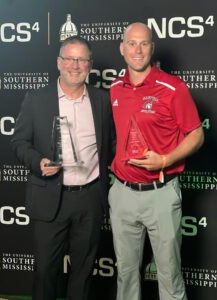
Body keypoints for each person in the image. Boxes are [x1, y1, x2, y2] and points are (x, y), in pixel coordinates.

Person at [11, 36, 115, 300]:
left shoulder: (102, 100)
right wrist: (38, 163)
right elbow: (19, 142)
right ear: (59, 62)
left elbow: (112, 144)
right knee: (46, 271)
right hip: (50, 196)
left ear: (90, 64)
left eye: (81, 59)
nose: (75, 65)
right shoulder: (37, 99)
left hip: (90, 198)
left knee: (83, 272)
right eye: (69, 58)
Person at [108, 22, 204, 300]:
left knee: (169, 273)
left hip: (160, 193)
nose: (137, 50)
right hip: (122, 193)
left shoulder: (173, 87)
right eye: (132, 43)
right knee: (125, 273)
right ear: (122, 48)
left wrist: (165, 159)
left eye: (144, 43)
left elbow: (196, 134)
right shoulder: (115, 86)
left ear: (152, 47)